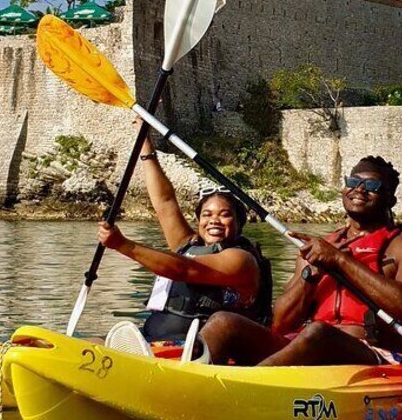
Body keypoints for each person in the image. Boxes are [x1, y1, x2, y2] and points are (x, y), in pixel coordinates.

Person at [200, 156, 402, 366]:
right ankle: (196, 384)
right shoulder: (319, 247)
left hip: (372, 353)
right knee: (222, 322)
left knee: (318, 333)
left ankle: (245, 388)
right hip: (307, 347)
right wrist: (309, 275)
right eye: (352, 182)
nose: (359, 189)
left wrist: (340, 260)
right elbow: (281, 323)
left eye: (372, 185)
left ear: (390, 200)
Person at [98, 117, 272, 341]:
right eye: (207, 215)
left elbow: (182, 269)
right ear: (198, 221)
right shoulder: (189, 244)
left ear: (239, 222)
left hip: (197, 352)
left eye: (225, 214)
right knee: (90, 344)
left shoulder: (242, 260)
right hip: (152, 341)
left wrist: (123, 245)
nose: (214, 221)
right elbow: (165, 202)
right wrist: (146, 145)